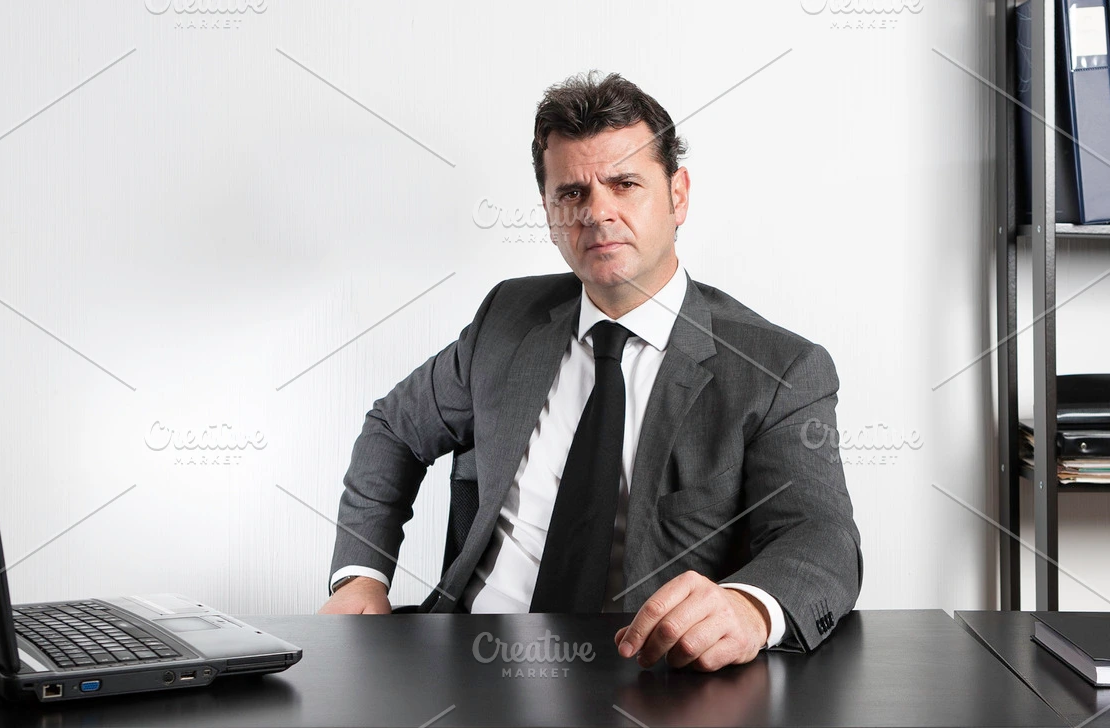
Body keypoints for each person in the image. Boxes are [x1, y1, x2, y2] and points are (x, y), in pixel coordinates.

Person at [320, 71, 862, 672]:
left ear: (677, 194)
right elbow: (393, 429)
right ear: (549, 211)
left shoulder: (778, 370)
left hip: (641, 684)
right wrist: (361, 576)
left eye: (624, 184)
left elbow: (821, 540)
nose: (597, 214)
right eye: (572, 193)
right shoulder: (507, 319)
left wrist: (750, 610)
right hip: (465, 664)